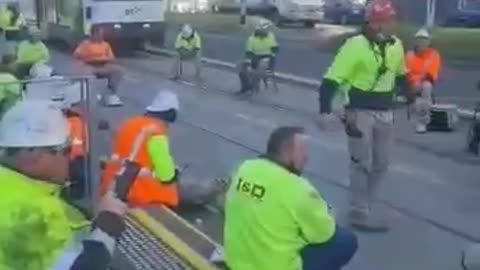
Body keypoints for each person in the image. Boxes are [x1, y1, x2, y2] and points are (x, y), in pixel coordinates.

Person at [0, 100, 127, 270]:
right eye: (66, 150)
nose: (71, 158)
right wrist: (109, 220)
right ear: (36, 155)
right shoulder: (37, 213)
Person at [317, 0, 405, 232]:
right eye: (379, 21)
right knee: (360, 162)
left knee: (382, 162)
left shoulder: (397, 45)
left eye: (387, 20)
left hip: (385, 112)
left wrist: (416, 98)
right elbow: (331, 80)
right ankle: (359, 209)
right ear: (369, 22)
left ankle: (366, 201)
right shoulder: (355, 45)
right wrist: (325, 110)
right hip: (358, 112)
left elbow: (401, 76)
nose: (384, 25)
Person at [224, 126, 358, 270]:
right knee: (346, 240)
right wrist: (329, 215)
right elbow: (324, 234)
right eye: (302, 151)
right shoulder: (298, 188)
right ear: (288, 153)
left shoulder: (245, 168)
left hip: (236, 263)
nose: (306, 157)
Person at [99, 90, 181, 207]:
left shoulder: (130, 123)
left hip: (111, 184)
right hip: (136, 194)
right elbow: (166, 176)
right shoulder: (156, 133)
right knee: (170, 187)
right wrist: (174, 173)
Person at [73, 26, 124, 107]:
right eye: (99, 34)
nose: (101, 36)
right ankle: (89, 95)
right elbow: (76, 55)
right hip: (89, 66)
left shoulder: (105, 44)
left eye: (102, 34)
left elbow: (111, 58)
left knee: (118, 70)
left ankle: (110, 94)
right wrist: (88, 58)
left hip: (103, 66)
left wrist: (102, 59)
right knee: (87, 74)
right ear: (93, 34)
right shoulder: (85, 43)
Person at [405, 28, 441, 133]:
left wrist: (419, 84)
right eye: (419, 40)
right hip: (410, 83)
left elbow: (432, 73)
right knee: (418, 96)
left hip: (424, 83)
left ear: (428, 42)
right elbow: (405, 71)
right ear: (415, 41)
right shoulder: (409, 55)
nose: (422, 42)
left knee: (426, 88)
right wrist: (410, 84)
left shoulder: (434, 55)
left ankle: (422, 122)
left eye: (424, 40)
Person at [235, 19, 279, 96]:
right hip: (255, 59)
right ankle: (246, 87)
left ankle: (253, 88)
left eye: (265, 29)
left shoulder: (270, 36)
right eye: (261, 29)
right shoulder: (251, 38)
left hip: (267, 59)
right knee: (241, 68)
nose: (265, 31)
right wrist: (249, 61)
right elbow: (248, 52)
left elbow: (275, 50)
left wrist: (269, 58)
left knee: (257, 70)